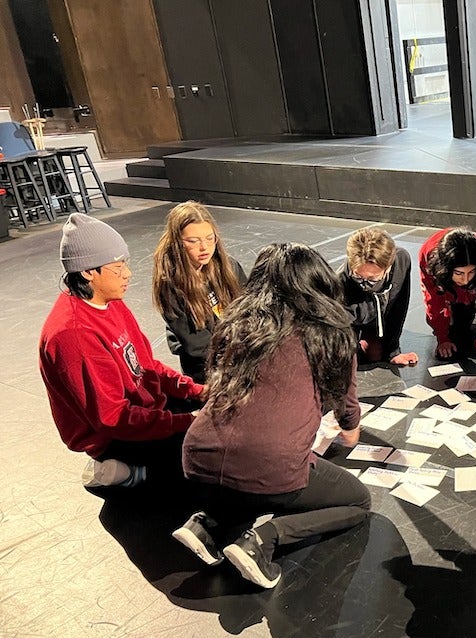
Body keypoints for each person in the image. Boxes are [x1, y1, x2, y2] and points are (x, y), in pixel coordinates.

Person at [179, 242, 371, 589]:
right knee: (358, 500)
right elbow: (347, 405)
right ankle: (263, 540)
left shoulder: (237, 322)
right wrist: (350, 429)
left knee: (245, 478)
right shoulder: (331, 332)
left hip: (197, 461)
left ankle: (207, 524)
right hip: (269, 467)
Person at [39, 214, 204, 489]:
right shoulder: (73, 334)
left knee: (221, 412)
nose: (128, 273)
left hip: (145, 408)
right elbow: (113, 418)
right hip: (115, 436)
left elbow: (146, 365)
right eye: (117, 267)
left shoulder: (110, 300)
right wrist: (185, 421)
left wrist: (195, 391)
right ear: (88, 272)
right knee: (205, 461)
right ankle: (125, 470)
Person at [151, 201, 247, 383]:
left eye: (210, 238)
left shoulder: (228, 267)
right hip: (207, 369)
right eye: (193, 241)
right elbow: (198, 346)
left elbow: (249, 308)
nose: (204, 247)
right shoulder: (171, 284)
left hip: (240, 355)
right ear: (178, 243)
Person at [419, 227, 476, 385]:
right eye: (459, 273)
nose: (465, 280)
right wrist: (442, 337)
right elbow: (433, 301)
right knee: (458, 333)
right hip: (450, 291)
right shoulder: (429, 258)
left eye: (471, 272)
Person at [336, 226, 418, 366]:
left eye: (372, 279)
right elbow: (339, 325)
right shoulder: (339, 282)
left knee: (374, 355)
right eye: (358, 276)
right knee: (344, 359)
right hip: (348, 321)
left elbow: (398, 308)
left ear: (388, 268)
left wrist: (393, 352)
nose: (364, 285)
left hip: (378, 316)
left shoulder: (401, 261)